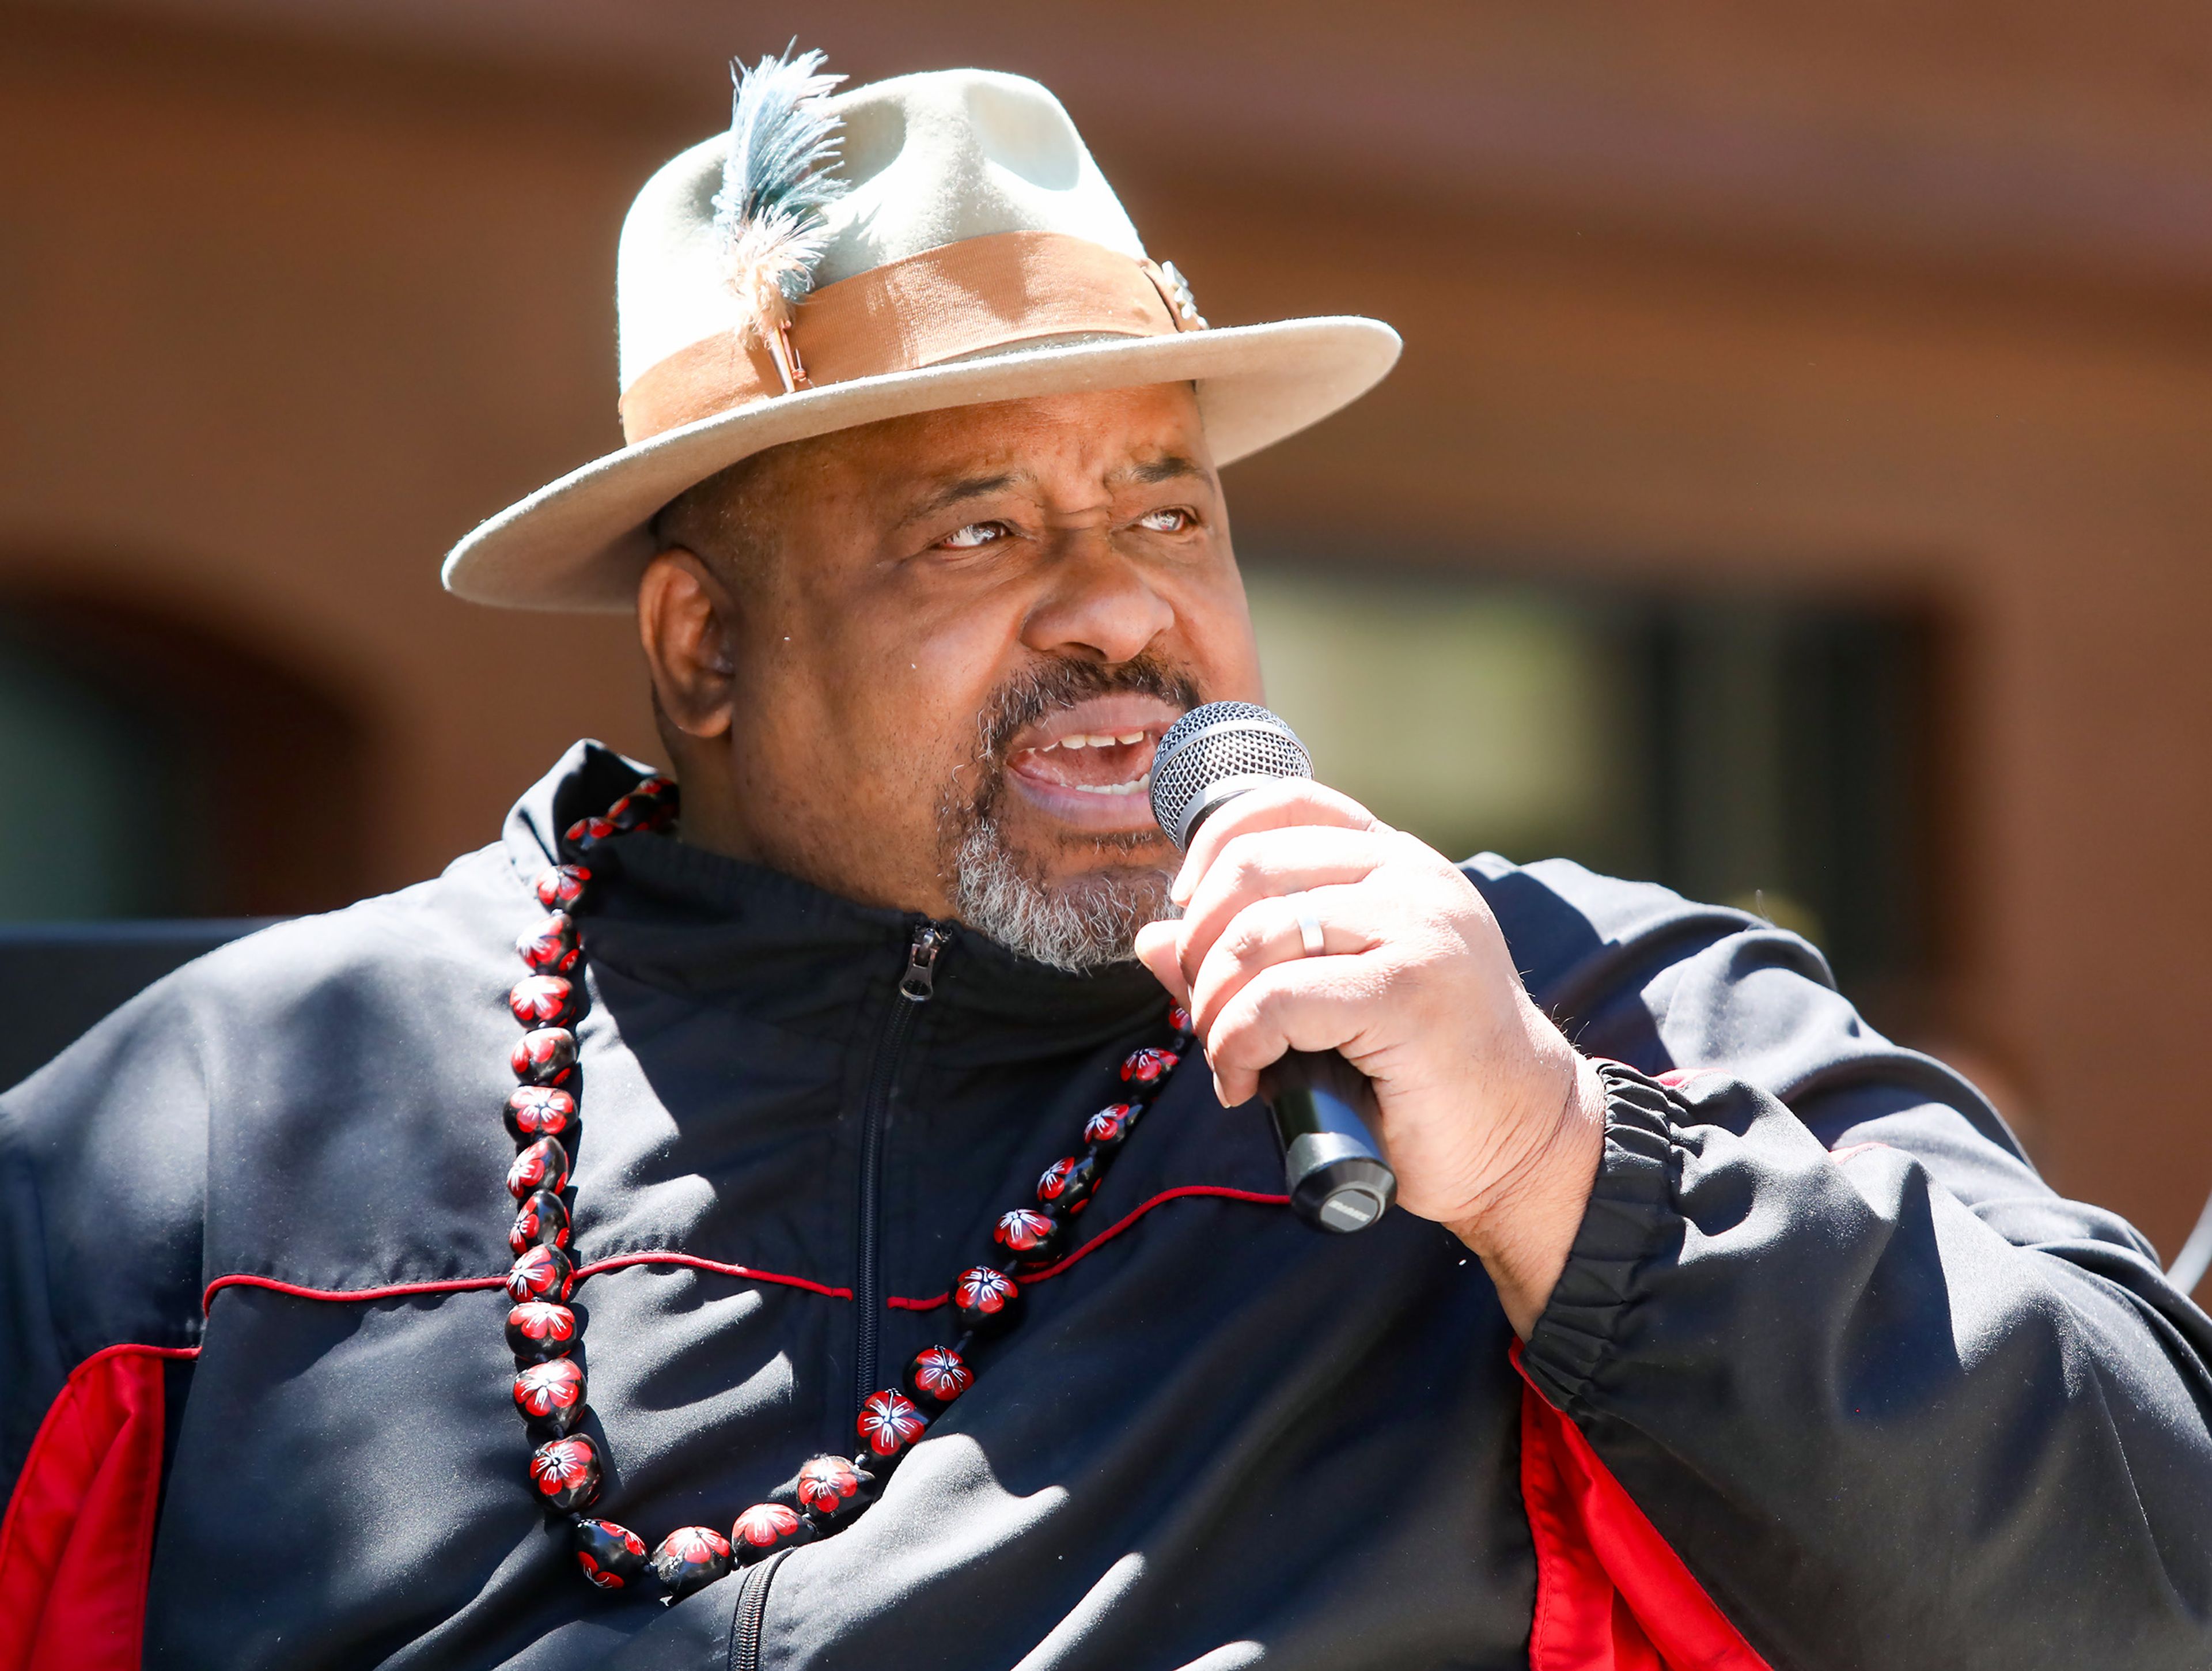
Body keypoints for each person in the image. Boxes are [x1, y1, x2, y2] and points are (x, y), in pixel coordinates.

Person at [2, 51, 2207, 1671]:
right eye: (980, 529)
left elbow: (2147, 1584)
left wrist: (1560, 1163)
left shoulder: (1577, 1007)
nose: (1121, 608)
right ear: (704, 646)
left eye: (1167, 508)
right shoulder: (225, 1125)